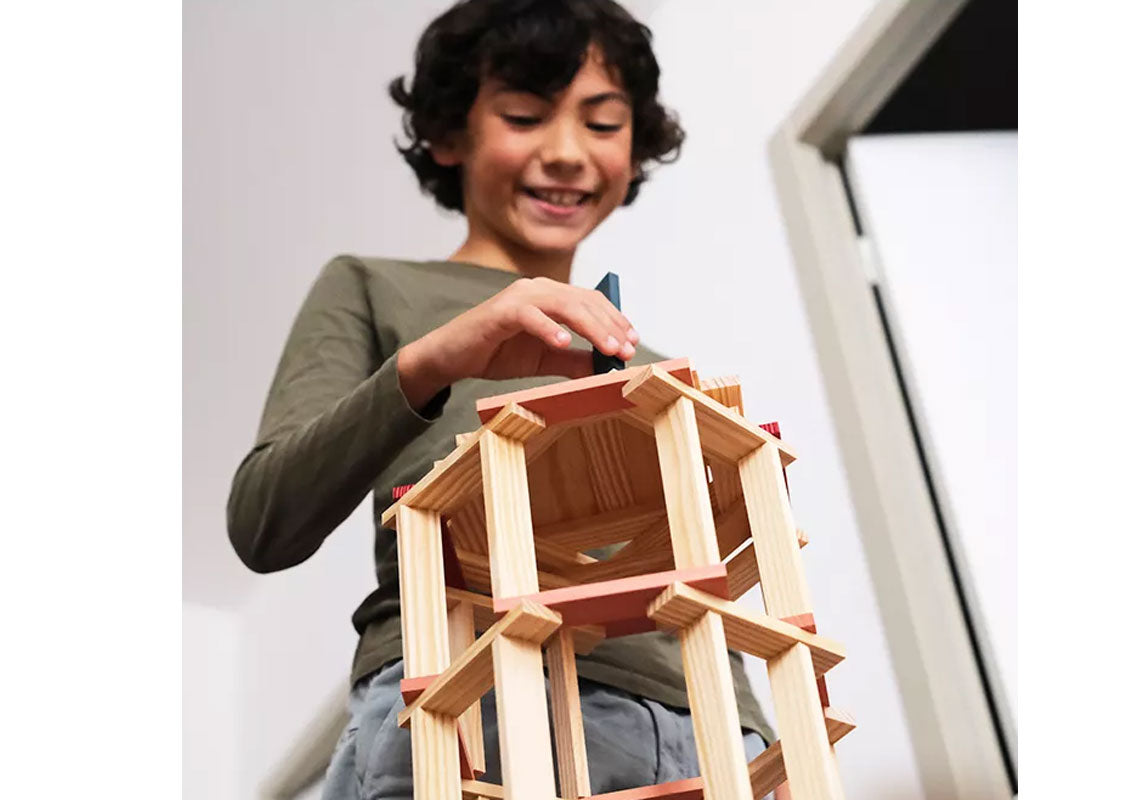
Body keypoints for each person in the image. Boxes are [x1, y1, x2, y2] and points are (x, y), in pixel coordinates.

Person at [227, 1, 774, 797]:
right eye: (523, 116)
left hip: (701, 730)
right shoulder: (375, 288)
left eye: (602, 122)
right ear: (449, 134)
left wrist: (759, 741)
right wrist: (437, 359)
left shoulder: (652, 366)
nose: (567, 154)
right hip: (470, 693)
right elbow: (263, 523)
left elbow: (699, 578)